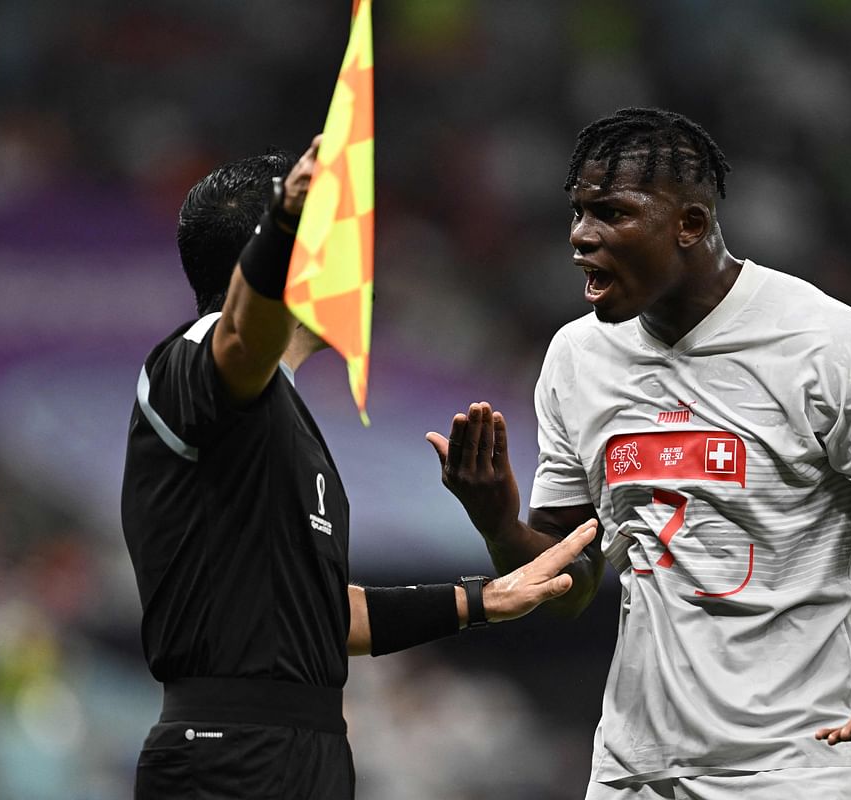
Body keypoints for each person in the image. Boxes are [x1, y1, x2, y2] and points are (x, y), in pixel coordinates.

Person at [428, 108, 851, 799]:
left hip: (794, 772)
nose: (581, 238)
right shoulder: (577, 358)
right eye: (578, 214)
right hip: (634, 774)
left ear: (689, 224)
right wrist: (497, 522)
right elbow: (569, 589)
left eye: (611, 214)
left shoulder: (829, 344)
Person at [120, 139, 597, 800]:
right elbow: (240, 338)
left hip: (300, 749)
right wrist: (288, 222)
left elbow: (313, 619)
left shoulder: (281, 412)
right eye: (337, 241)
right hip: (228, 749)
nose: (361, 268)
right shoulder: (197, 352)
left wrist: (482, 600)